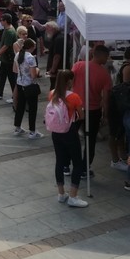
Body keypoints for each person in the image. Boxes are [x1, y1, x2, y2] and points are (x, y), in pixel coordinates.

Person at [71, 45, 112, 178]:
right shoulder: (104, 74)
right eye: (106, 56)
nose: (107, 59)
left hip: (76, 107)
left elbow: (70, 83)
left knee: (71, 136)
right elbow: (105, 98)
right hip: (92, 110)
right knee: (90, 139)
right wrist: (106, 115)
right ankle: (84, 167)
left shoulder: (78, 66)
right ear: (99, 55)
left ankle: (66, 164)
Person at [49, 70, 88, 208]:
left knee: (59, 161)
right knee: (77, 163)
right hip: (69, 132)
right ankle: (73, 195)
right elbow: (81, 115)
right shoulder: (74, 97)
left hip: (56, 132)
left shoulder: (52, 93)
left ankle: (61, 193)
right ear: (69, 81)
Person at [109, 46, 130, 172]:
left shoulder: (129, 66)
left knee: (120, 132)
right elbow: (126, 85)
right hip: (119, 103)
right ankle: (115, 159)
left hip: (121, 103)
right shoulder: (128, 67)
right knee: (115, 132)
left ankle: (122, 156)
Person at [13, 38, 43, 138]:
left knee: (20, 107)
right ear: (31, 47)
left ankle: (17, 127)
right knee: (32, 108)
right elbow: (33, 75)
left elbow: (15, 69)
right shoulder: (31, 58)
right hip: (30, 85)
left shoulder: (18, 55)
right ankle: (32, 131)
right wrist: (38, 71)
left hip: (20, 84)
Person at [0, 14, 17, 102]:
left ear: (5, 21)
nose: (0, 22)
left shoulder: (10, 31)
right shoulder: (7, 29)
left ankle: (15, 96)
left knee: (11, 78)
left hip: (9, 59)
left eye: (1, 20)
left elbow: (6, 46)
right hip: (5, 59)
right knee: (2, 75)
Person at [44, 21, 65, 91]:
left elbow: (57, 56)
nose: (46, 31)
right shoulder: (56, 37)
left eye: (47, 29)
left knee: (55, 88)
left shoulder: (58, 39)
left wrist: (52, 70)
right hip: (56, 69)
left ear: (53, 29)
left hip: (57, 70)